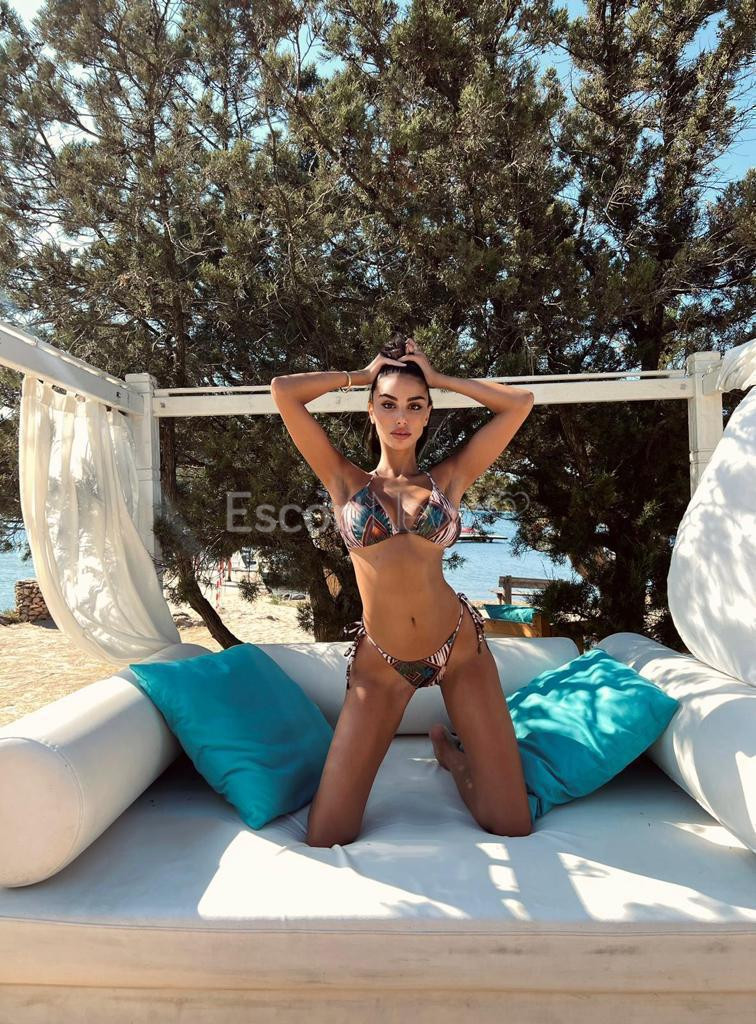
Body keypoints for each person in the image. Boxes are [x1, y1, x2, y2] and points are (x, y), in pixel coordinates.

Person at [270, 334, 535, 847]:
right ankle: (450, 753)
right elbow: (284, 390)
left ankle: (454, 761)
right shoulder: (345, 481)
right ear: (370, 410)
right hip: (381, 663)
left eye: (416, 405)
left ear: (428, 414)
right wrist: (360, 375)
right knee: (328, 834)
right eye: (388, 404)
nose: (401, 417)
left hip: (459, 649)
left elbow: (519, 403)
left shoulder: (448, 479)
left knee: (511, 824)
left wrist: (439, 378)